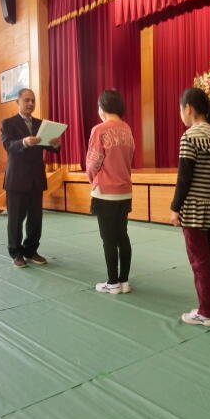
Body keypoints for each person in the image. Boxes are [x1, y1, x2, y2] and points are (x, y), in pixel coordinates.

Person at [170, 87, 210, 327]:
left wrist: (175, 208)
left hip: (193, 209)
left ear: (188, 108)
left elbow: (184, 178)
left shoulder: (189, 136)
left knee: (199, 261)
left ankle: (206, 312)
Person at [0, 88, 61, 268]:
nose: (30, 104)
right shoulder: (8, 123)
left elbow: (49, 147)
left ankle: (31, 250)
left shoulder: (41, 124)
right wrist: (24, 142)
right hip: (17, 179)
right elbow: (8, 145)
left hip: (36, 178)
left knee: (36, 219)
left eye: (33, 100)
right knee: (15, 220)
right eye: (26, 100)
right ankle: (16, 253)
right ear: (17, 102)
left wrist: (55, 145)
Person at [86, 90, 135, 295]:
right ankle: (124, 281)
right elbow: (130, 156)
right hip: (124, 191)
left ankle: (112, 282)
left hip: (105, 192)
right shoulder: (127, 129)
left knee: (108, 239)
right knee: (122, 236)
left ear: (103, 107)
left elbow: (93, 162)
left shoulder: (99, 130)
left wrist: (92, 180)